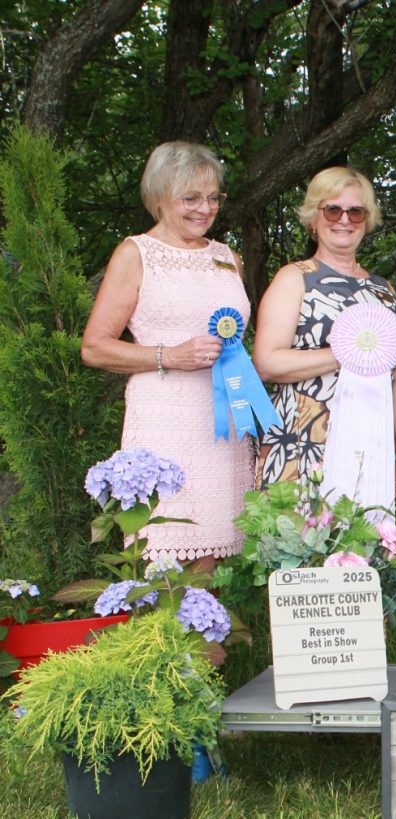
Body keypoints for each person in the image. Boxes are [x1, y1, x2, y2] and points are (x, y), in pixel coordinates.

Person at [81, 141, 254, 561]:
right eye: (190, 198)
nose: (205, 209)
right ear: (159, 197)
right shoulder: (135, 253)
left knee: (218, 553)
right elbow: (94, 347)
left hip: (225, 421)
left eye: (213, 198)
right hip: (164, 420)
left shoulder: (228, 258)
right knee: (164, 551)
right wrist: (169, 355)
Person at [252, 166, 396, 510]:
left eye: (355, 211)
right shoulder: (293, 279)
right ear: (314, 218)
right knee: (297, 541)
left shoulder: (384, 291)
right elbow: (266, 363)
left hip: (369, 447)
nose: (344, 219)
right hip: (304, 443)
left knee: (363, 540)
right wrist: (349, 353)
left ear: (367, 220)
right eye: (333, 210)